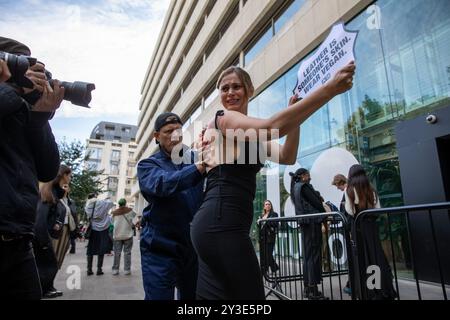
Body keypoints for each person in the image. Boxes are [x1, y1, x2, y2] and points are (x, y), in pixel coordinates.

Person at [191, 62, 355, 300]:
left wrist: (296, 116)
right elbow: (272, 127)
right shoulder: (222, 118)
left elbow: (288, 156)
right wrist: (329, 89)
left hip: (218, 226)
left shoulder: (251, 136)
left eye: (236, 86)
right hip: (220, 224)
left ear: (250, 90)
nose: (229, 93)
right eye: (224, 88)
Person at [0, 37, 63, 299]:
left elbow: (48, 169)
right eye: (23, 67)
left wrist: (39, 116)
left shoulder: (23, 107)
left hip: (18, 240)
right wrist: (16, 90)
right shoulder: (12, 97)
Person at [137, 112, 207, 300]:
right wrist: (199, 169)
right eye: (168, 131)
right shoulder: (147, 165)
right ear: (156, 136)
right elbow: (162, 184)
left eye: (178, 130)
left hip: (191, 248)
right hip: (159, 249)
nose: (174, 135)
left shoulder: (193, 159)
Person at [345, 164, 397, 300]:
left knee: (362, 259)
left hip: (358, 227)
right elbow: (378, 208)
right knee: (375, 257)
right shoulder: (371, 189)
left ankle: (367, 292)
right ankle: (381, 290)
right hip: (371, 227)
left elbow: (350, 211)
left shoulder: (349, 190)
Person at [34, 164, 78, 298]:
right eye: (69, 175)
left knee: (53, 262)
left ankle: (48, 286)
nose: (70, 178)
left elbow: (65, 207)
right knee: (48, 262)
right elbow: (40, 219)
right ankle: (43, 288)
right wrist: (44, 241)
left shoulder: (56, 192)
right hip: (47, 235)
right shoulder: (48, 192)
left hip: (56, 233)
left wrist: (64, 193)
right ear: (63, 175)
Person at [290, 168, 329, 300]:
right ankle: (313, 291)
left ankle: (308, 289)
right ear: (302, 176)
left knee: (308, 257)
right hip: (312, 223)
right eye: (308, 175)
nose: (310, 177)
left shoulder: (295, 187)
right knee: (313, 256)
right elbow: (317, 204)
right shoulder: (304, 187)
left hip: (306, 224)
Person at [85, 194, 114, 276]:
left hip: (93, 229)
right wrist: (106, 199)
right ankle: (99, 269)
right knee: (101, 249)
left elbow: (88, 216)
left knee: (90, 250)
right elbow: (111, 202)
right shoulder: (103, 203)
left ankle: (89, 270)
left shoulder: (88, 207)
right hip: (104, 229)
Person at [111, 198, 136, 276]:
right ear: (125, 203)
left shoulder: (114, 213)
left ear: (119, 204)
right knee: (127, 253)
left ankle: (115, 270)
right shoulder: (130, 211)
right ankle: (127, 270)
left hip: (117, 235)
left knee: (117, 253)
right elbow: (134, 216)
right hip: (128, 235)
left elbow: (112, 223)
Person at [258, 200, 279, 275]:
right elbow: (260, 228)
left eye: (269, 204)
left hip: (270, 237)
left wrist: (266, 221)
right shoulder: (261, 215)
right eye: (266, 204)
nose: (267, 205)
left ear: (271, 205)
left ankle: (273, 268)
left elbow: (275, 224)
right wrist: (259, 222)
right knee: (263, 255)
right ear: (264, 206)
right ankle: (266, 270)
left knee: (268, 254)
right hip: (262, 238)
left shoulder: (274, 214)